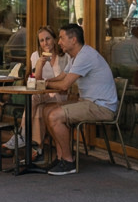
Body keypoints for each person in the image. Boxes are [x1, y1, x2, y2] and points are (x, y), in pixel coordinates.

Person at [41, 23, 117, 176]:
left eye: (62, 38)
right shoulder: (75, 56)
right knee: (47, 109)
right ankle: (60, 156)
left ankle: (69, 162)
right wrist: (44, 81)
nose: (59, 42)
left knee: (54, 116)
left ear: (73, 40)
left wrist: (45, 83)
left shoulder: (85, 56)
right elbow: (62, 77)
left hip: (101, 106)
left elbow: (64, 85)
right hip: (88, 102)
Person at [7, 25, 68, 156]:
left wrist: (48, 84)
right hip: (43, 96)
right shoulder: (36, 56)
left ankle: (23, 135)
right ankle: (37, 149)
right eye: (41, 40)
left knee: (34, 99)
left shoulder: (64, 57)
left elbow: (63, 83)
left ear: (54, 39)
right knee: (38, 106)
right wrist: (40, 65)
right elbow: (36, 83)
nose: (45, 43)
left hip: (60, 95)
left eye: (48, 39)